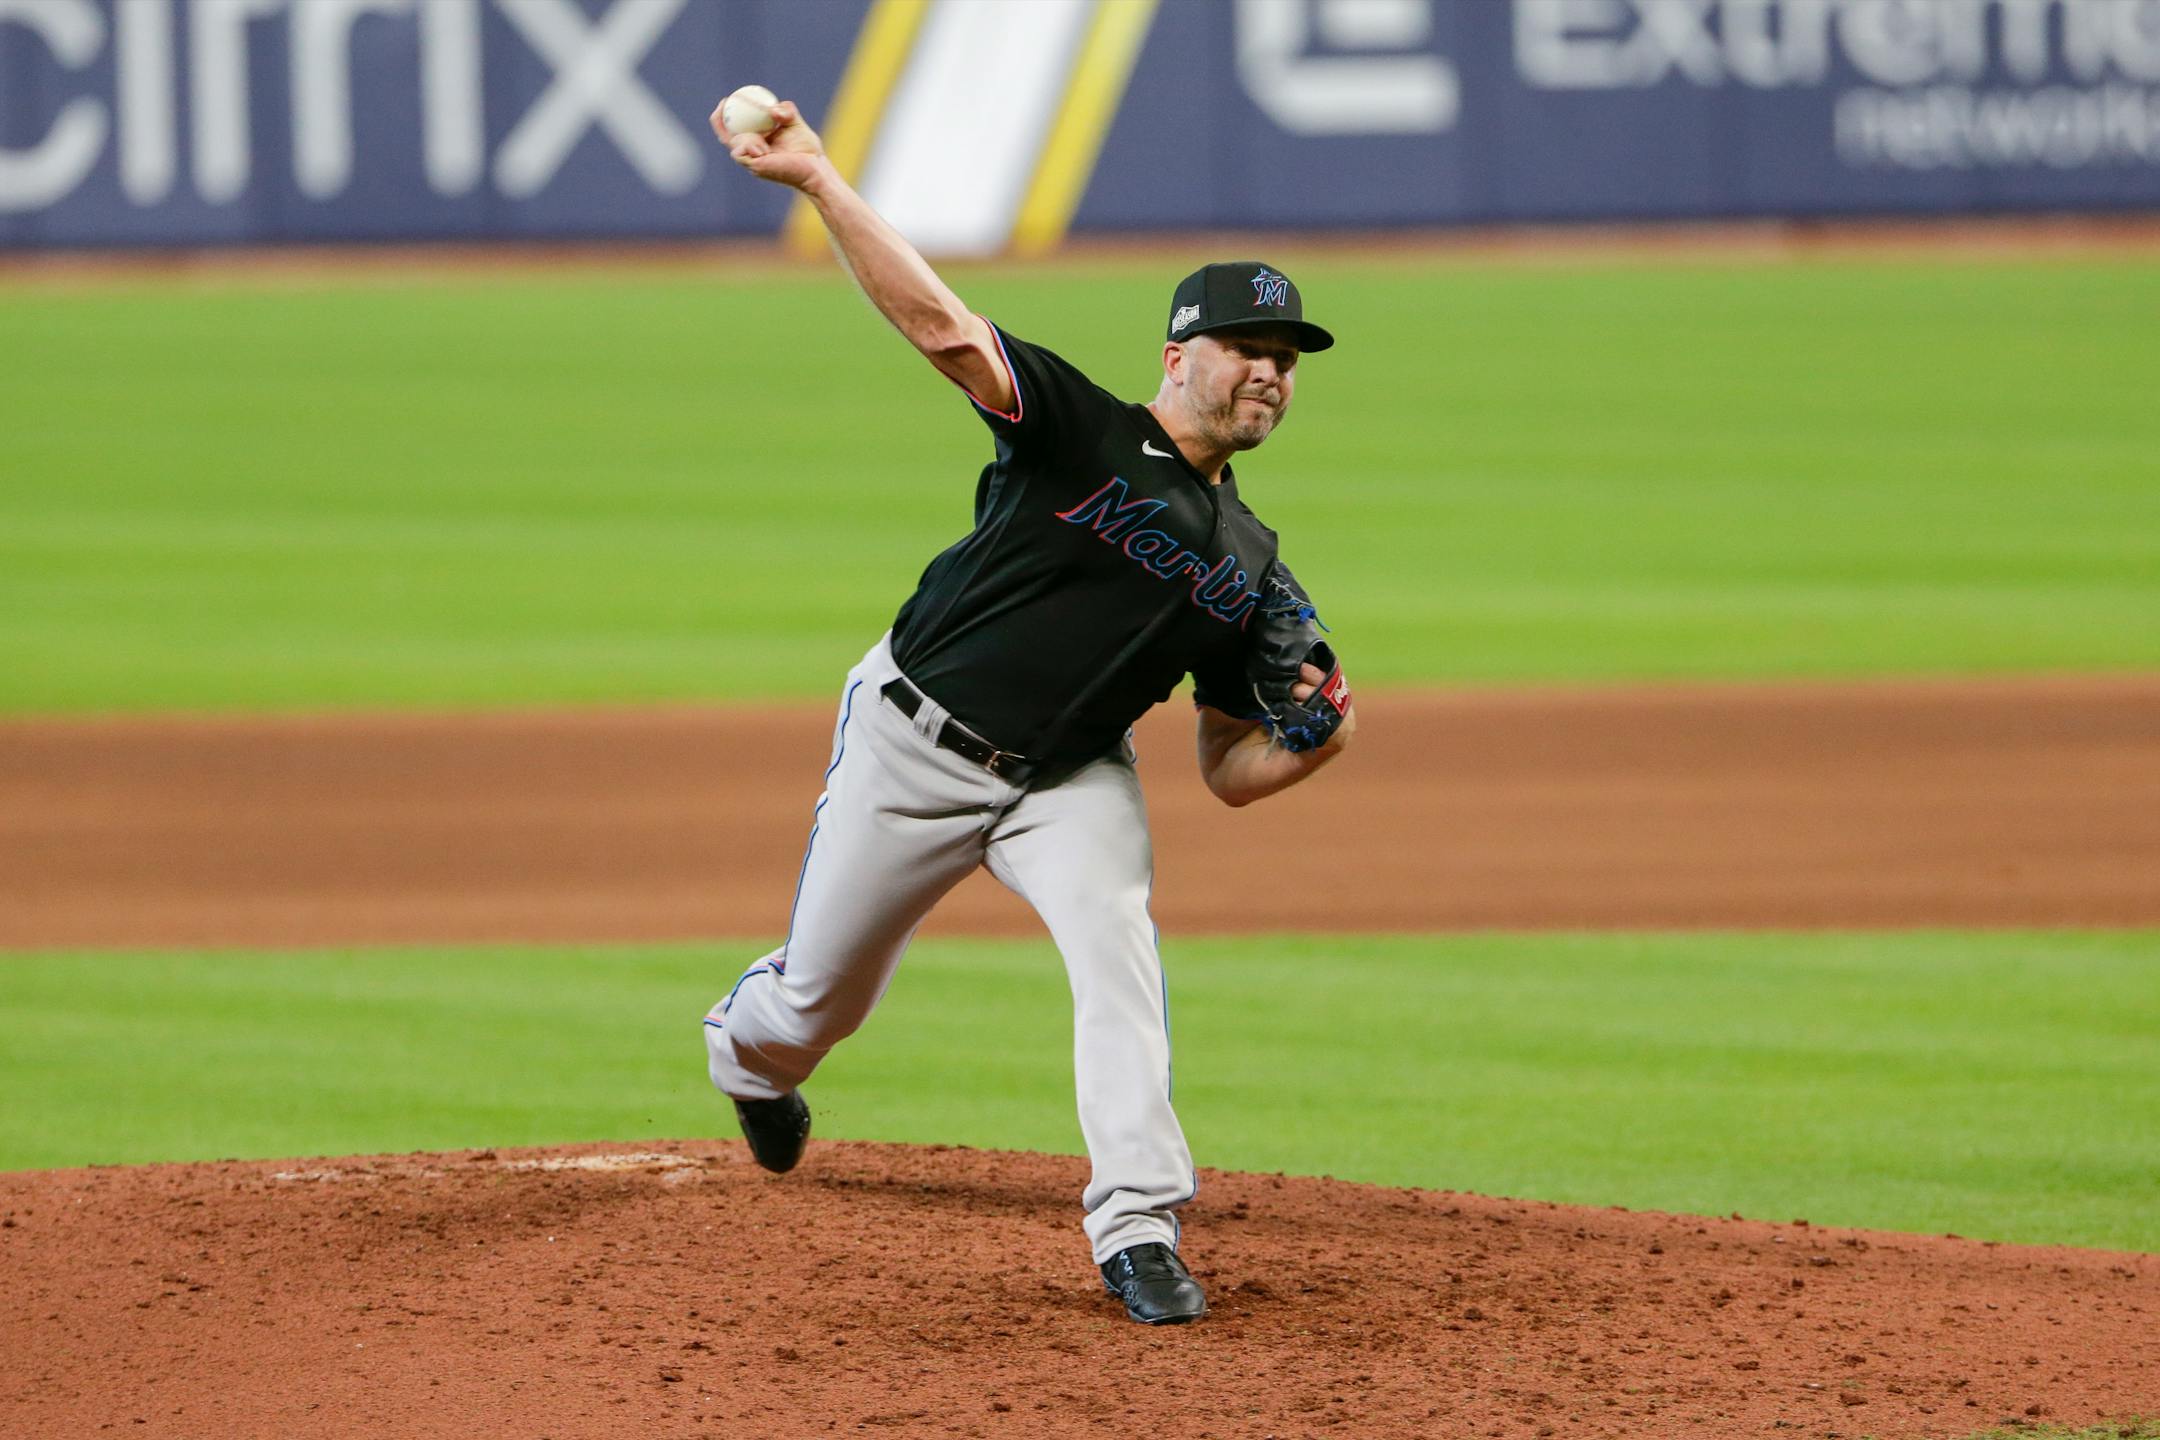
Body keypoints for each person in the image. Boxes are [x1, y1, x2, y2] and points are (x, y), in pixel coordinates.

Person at [703, 94, 1357, 1326]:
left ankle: (1138, 1225)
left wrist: (1316, 742)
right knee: (814, 1007)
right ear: (1180, 356)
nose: (1269, 372)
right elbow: (944, 328)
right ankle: (749, 1061)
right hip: (915, 735)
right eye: (1247, 348)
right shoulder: (1077, 428)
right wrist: (821, 184)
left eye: (1286, 360)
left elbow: (1226, 764)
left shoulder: (1255, 565)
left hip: (1070, 781)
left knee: (1118, 945)